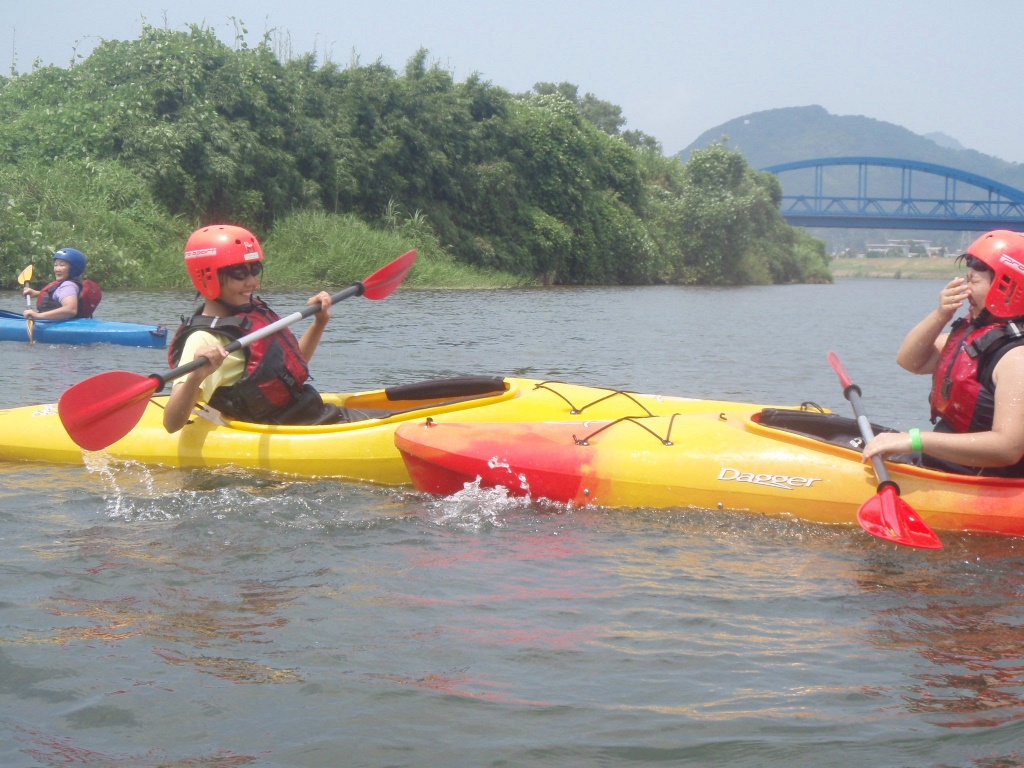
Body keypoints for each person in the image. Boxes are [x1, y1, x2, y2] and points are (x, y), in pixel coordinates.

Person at [163, 224, 384, 433]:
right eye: (239, 272)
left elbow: (288, 373)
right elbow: (172, 424)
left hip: (309, 414)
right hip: (289, 427)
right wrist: (195, 376)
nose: (252, 282)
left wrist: (319, 323)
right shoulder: (203, 339)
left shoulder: (247, 316)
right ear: (208, 276)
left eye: (255, 270)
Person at [862, 229, 1024, 477]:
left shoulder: (1016, 358)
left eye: (973, 281)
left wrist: (914, 440)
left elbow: (1007, 448)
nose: (965, 289)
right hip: (947, 464)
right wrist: (941, 314)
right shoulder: (979, 334)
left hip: (985, 482)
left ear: (1006, 287)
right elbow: (911, 361)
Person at [22, 248, 95, 321]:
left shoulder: (68, 286)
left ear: (74, 268)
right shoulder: (70, 284)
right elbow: (60, 294)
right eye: (56, 265)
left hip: (61, 325)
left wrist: (38, 316)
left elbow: (71, 310)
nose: (57, 269)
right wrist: (36, 293)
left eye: (62, 265)